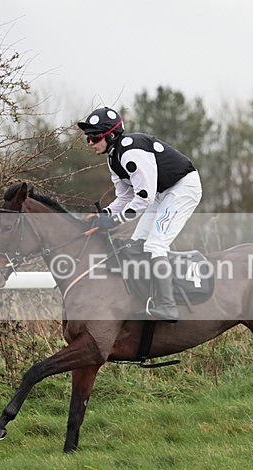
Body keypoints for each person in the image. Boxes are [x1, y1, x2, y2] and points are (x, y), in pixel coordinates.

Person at [77, 107, 203, 322]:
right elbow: (125, 198)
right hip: (162, 193)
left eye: (95, 137)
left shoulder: (131, 153)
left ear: (112, 135)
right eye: (88, 138)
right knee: (137, 243)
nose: (90, 142)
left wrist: (115, 220)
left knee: (155, 245)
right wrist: (104, 214)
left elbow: (144, 197)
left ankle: (168, 305)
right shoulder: (113, 158)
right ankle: (146, 298)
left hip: (182, 188)